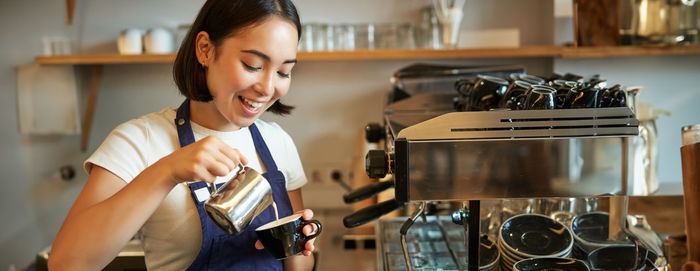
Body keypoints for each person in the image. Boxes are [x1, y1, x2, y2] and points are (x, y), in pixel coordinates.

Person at [48, 0, 317, 270]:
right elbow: (65, 264)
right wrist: (168, 171)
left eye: (284, 71)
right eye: (253, 65)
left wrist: (295, 244)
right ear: (205, 50)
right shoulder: (138, 141)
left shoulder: (277, 141)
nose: (268, 88)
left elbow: (300, 267)